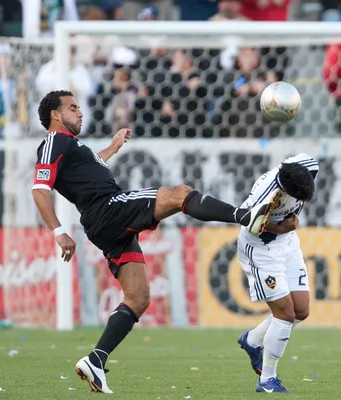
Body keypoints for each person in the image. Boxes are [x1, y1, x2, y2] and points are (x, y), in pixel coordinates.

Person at [30, 90, 281, 394]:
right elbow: (40, 188)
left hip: (104, 224)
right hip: (107, 208)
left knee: (138, 298)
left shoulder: (72, 146)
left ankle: (96, 360)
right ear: (55, 116)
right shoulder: (54, 142)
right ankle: (244, 215)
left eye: (80, 107)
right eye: (72, 108)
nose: (80, 113)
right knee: (178, 194)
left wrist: (113, 147)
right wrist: (58, 231)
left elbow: (88, 167)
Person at [235, 154, 319, 393]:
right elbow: (246, 221)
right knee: (284, 314)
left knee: (301, 311)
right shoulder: (267, 194)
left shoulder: (308, 165)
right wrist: (281, 227)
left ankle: (252, 340)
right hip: (262, 250)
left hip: (289, 244)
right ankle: (267, 381)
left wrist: (287, 232)